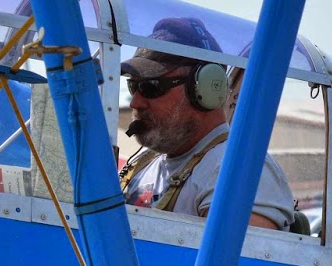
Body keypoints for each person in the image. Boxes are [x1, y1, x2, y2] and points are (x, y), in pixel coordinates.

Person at [119, 16, 295, 229]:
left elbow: (241, 260)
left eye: (151, 86)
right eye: (133, 87)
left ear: (204, 88)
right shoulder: (141, 167)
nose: (136, 102)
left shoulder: (236, 170)